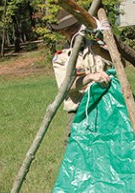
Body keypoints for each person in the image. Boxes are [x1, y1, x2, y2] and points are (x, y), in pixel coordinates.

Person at [51, 9, 113, 143]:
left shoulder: (96, 46)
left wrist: (101, 52)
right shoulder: (61, 57)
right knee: (76, 154)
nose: (73, 31)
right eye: (68, 30)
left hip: (103, 107)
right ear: (62, 32)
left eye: (75, 26)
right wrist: (90, 77)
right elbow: (67, 86)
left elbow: (120, 64)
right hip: (78, 111)